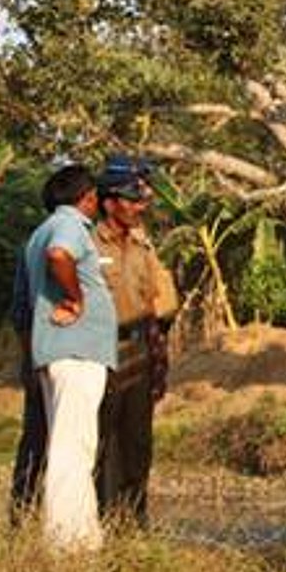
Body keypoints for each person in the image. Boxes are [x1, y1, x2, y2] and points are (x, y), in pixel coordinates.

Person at [23, 163, 117, 551]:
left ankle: (83, 538)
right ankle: (68, 544)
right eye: (95, 197)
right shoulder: (69, 227)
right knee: (72, 449)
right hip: (76, 350)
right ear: (87, 197)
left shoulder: (40, 230)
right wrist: (77, 298)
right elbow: (59, 255)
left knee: (72, 445)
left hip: (62, 350)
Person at [93, 156, 177, 527]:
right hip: (100, 353)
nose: (141, 205)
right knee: (102, 443)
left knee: (137, 442)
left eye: (142, 198)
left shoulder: (145, 246)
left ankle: (134, 521)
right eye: (133, 198)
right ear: (110, 202)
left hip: (139, 353)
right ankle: (102, 521)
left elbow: (163, 300)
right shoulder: (89, 244)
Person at [7, 176, 60, 524]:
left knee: (39, 437)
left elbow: (20, 311)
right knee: (40, 438)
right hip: (49, 353)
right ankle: (24, 513)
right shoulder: (56, 242)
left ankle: (24, 514)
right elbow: (22, 311)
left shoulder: (36, 239)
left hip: (42, 352)